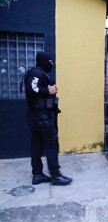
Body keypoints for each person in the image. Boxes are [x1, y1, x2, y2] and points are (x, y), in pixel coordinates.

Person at [24, 51, 72, 185]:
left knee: (37, 145)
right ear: (43, 62)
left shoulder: (36, 73)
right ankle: (56, 176)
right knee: (51, 144)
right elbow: (31, 88)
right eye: (50, 62)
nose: (52, 65)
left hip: (36, 117)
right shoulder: (37, 73)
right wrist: (48, 91)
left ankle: (37, 175)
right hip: (41, 117)